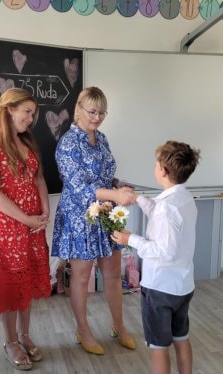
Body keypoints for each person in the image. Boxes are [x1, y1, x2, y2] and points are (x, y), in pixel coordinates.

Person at [111, 140, 201, 374]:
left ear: (162, 170)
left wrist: (130, 239)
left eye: (156, 163)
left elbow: (164, 251)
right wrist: (139, 199)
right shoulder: (183, 198)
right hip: (182, 286)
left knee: (158, 345)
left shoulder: (166, 208)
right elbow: (162, 216)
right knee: (181, 337)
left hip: (160, 288)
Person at [51, 86, 137, 356]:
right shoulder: (68, 143)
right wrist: (115, 195)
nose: (97, 117)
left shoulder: (102, 138)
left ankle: (119, 326)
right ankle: (83, 330)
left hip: (105, 213)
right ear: (78, 109)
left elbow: (104, 175)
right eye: (92, 111)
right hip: (80, 216)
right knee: (81, 276)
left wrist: (117, 184)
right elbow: (78, 186)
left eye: (102, 113)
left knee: (113, 273)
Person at [0, 88, 51, 371]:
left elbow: (39, 178)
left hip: (31, 225)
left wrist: (45, 210)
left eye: (33, 114)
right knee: (10, 283)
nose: (31, 119)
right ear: (9, 109)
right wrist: (26, 219)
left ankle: (25, 335)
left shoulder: (26, 141)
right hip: (5, 226)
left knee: (26, 279)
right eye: (27, 112)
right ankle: (10, 342)